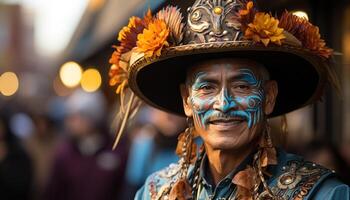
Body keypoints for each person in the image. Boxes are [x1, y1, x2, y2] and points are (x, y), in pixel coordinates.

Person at [108, 0, 350, 199]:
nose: (224, 104)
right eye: (207, 87)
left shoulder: (323, 194)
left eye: (242, 86)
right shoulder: (154, 192)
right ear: (186, 100)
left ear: (269, 97)